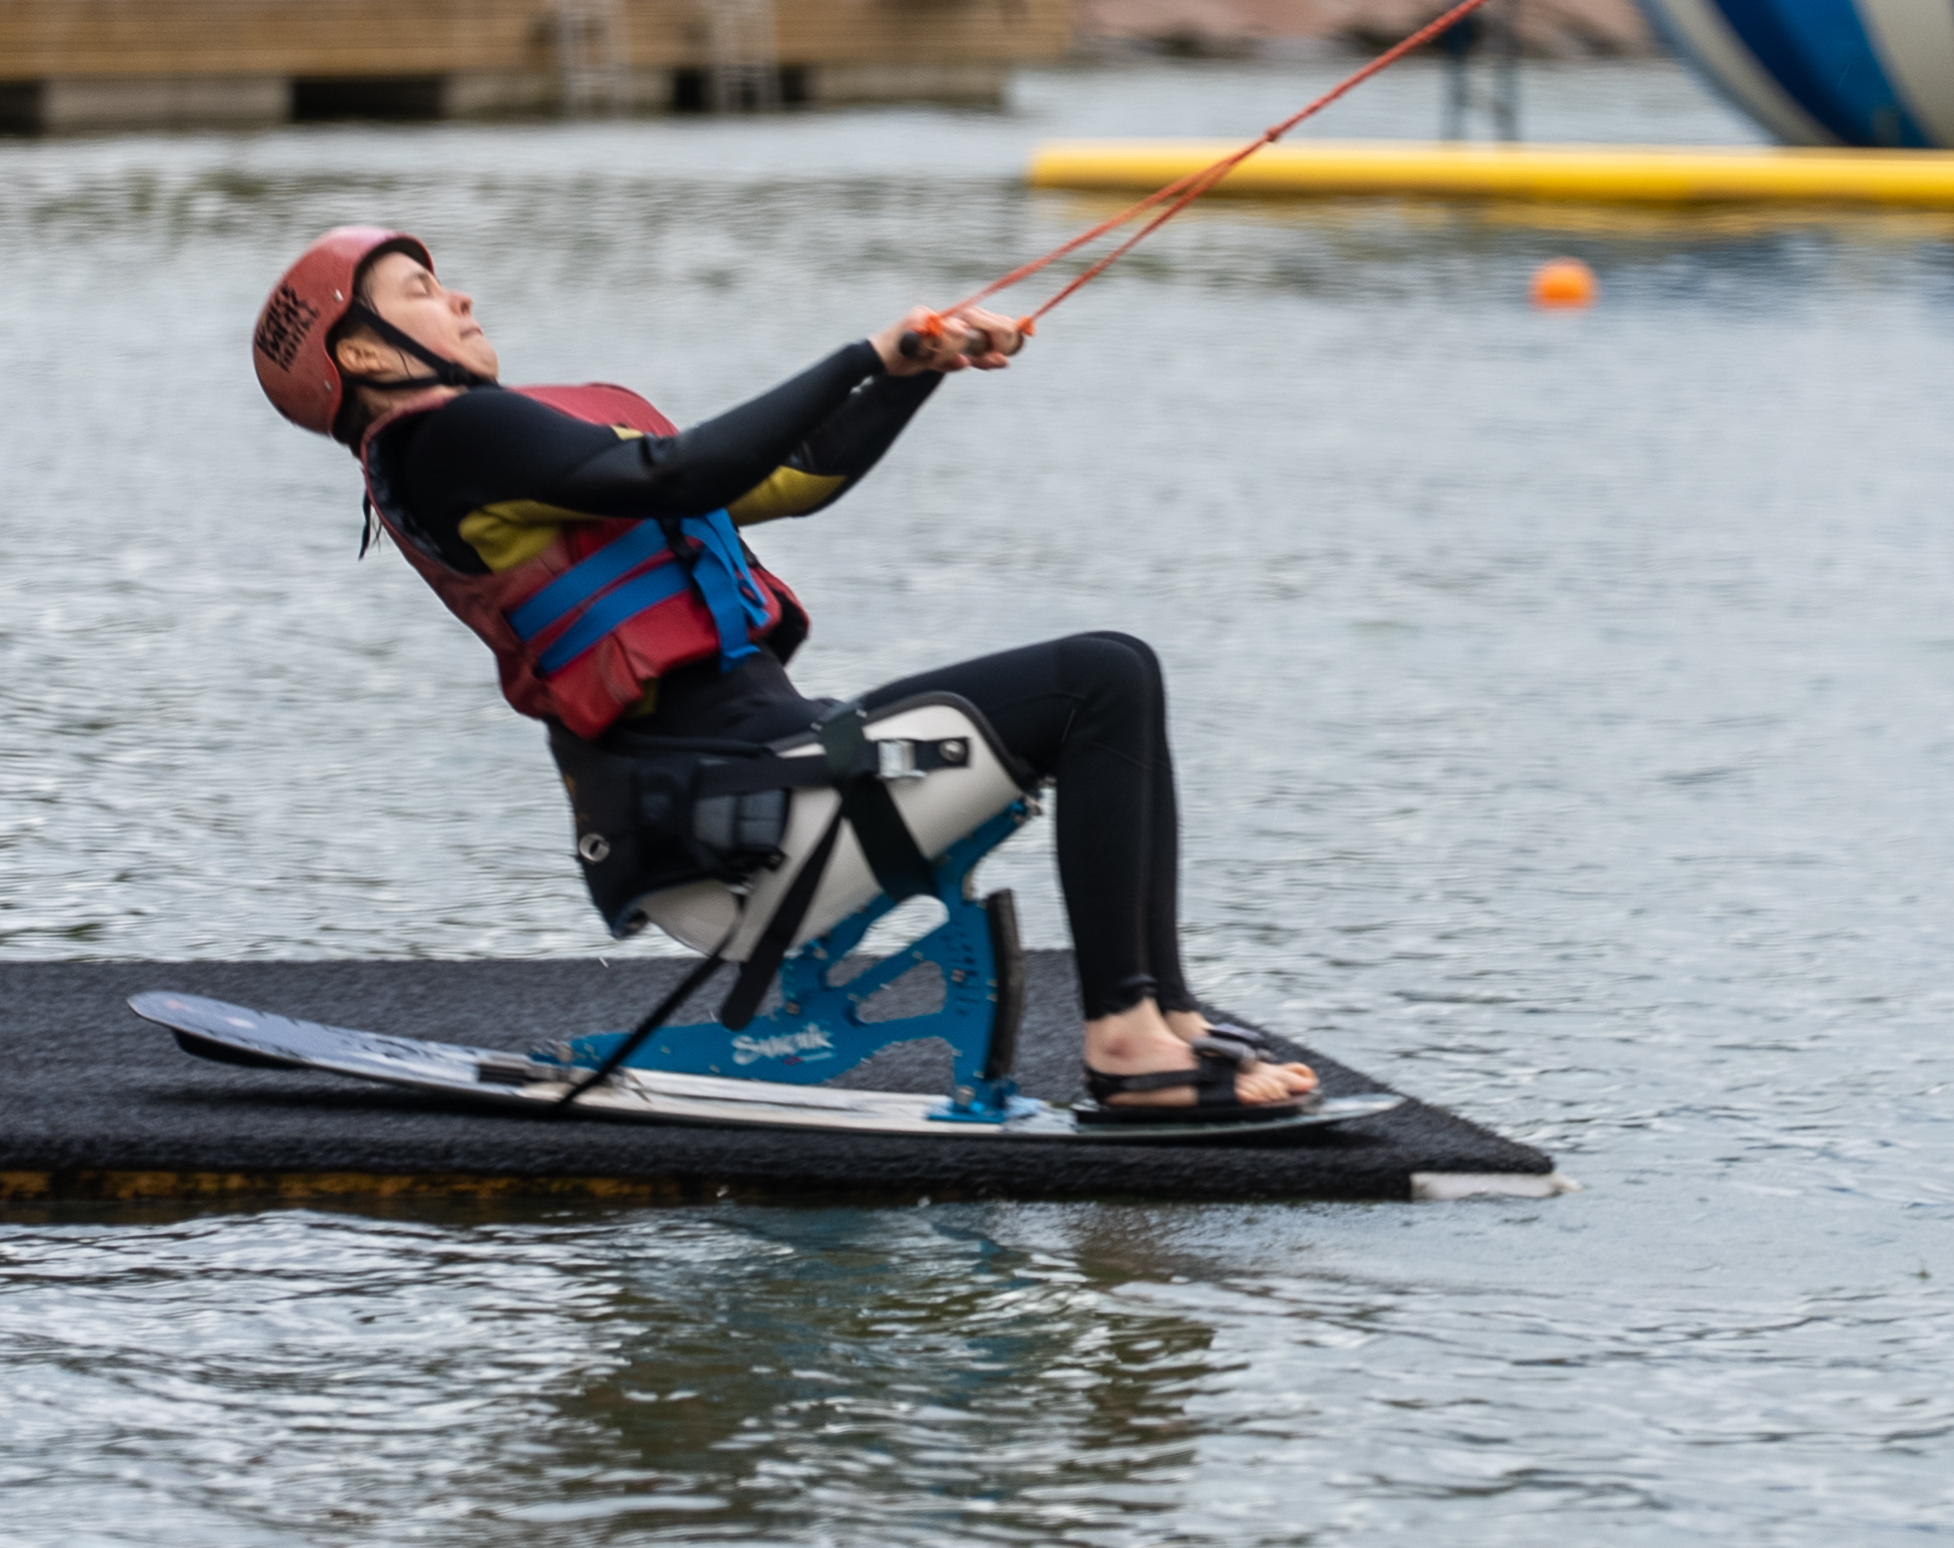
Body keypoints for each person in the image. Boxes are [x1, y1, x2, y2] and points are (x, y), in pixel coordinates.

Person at [250, 225, 1312, 1116]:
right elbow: (685, 469)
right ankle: (1129, 1041)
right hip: (730, 819)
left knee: (1113, 671)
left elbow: (793, 481)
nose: (463, 296)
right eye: (423, 294)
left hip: (770, 778)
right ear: (372, 360)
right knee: (1098, 679)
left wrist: (907, 373)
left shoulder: (507, 438)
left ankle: (1161, 1017)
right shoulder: (443, 443)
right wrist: (862, 351)